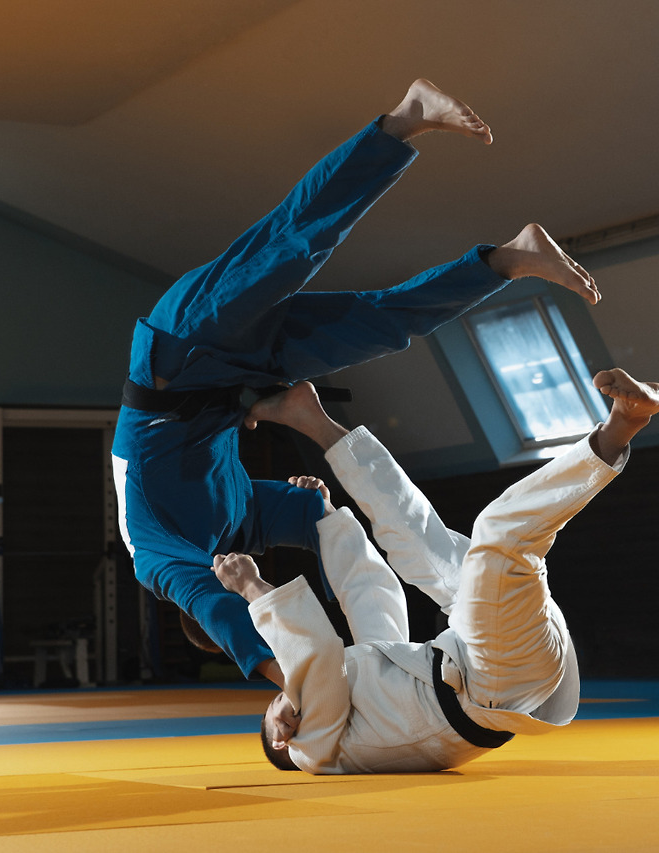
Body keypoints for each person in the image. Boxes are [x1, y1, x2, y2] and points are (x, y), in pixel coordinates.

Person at [111, 80, 600, 688]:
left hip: (180, 350)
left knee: (295, 245)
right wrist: (360, 627)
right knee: (382, 325)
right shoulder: (242, 527)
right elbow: (317, 524)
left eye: (253, 617)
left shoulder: (157, 559)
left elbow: (216, 608)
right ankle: (509, 258)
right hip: (243, 372)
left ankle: (404, 118)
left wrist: (291, 682)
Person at [212, 367, 659, 774]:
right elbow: (314, 659)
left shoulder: (357, 698)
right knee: (499, 534)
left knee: (413, 544)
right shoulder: (313, 752)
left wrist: (328, 517)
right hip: (492, 683)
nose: (287, 700)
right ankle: (618, 431)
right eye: (278, 708)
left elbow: (371, 592)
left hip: (485, 655)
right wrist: (253, 588)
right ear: (281, 739)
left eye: (278, 702)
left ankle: (313, 420)